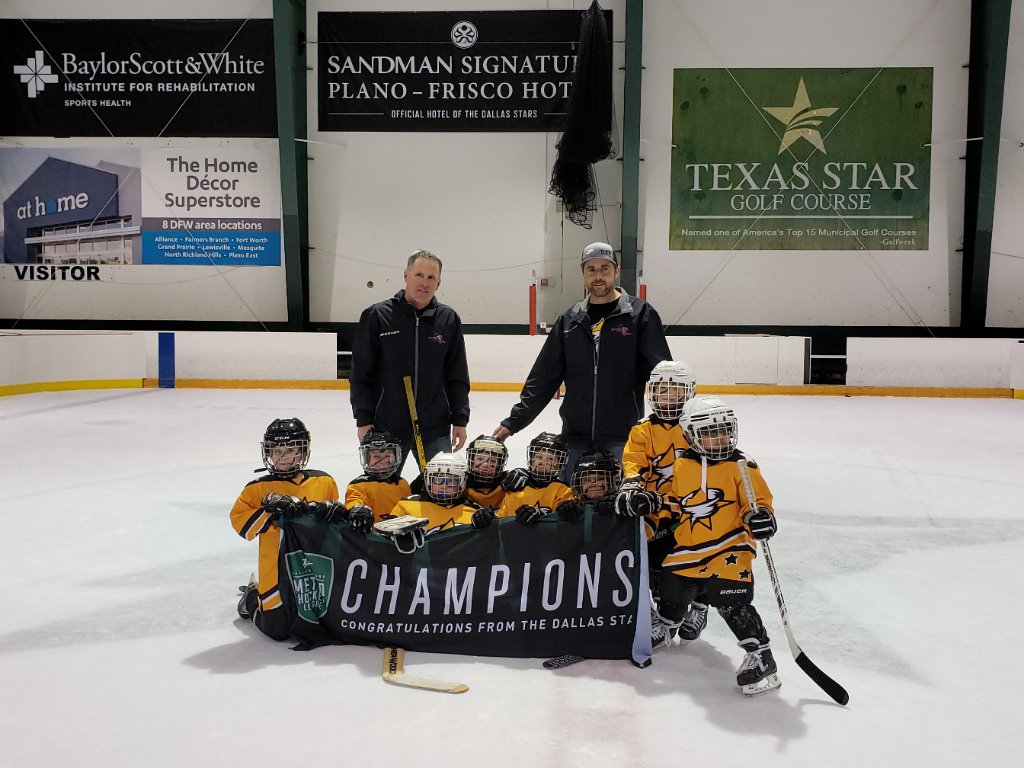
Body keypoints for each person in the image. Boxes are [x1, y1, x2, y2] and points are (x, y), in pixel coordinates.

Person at [622, 396, 780, 695]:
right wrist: (649, 513)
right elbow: (672, 504)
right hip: (688, 550)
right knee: (671, 591)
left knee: (731, 602)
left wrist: (761, 519)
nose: (719, 438)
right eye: (709, 433)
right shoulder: (682, 464)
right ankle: (668, 623)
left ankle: (760, 655)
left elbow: (758, 505)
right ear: (691, 434)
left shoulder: (743, 466)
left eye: (724, 430)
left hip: (729, 548)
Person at [492, 241, 671, 480]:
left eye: (604, 269)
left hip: (622, 438)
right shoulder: (570, 321)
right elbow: (543, 378)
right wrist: (513, 423)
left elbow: (663, 375)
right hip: (574, 439)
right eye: (592, 269)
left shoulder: (639, 315)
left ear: (616, 271)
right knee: (570, 507)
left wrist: (673, 425)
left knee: (617, 508)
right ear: (583, 274)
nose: (598, 276)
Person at [350, 250, 470, 475]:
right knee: (382, 491)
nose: (424, 283)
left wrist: (460, 420)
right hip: (386, 428)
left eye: (431, 277)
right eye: (419, 275)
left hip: (435, 427)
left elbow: (457, 374)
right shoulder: (378, 316)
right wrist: (363, 419)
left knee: (442, 492)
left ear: (438, 283)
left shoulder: (448, 319)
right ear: (406, 276)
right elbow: (360, 374)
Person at [230, 418, 344, 641]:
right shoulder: (257, 488)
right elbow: (242, 526)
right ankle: (253, 594)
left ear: (302, 452)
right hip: (275, 571)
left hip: (313, 569)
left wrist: (335, 509)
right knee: (277, 630)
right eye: (275, 450)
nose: (281, 457)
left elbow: (336, 525)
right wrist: (270, 511)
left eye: (290, 450)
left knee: (326, 621)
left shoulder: (323, 481)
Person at [616, 360, 697, 604]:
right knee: (643, 552)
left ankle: (699, 603)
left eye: (676, 390)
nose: (669, 396)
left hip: (690, 507)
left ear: (689, 392)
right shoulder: (643, 429)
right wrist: (632, 484)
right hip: (655, 507)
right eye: (662, 390)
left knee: (697, 553)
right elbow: (634, 462)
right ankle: (656, 606)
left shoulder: (696, 426)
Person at [388, 453, 492, 537]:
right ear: (428, 480)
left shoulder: (474, 513)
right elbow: (385, 536)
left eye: (452, 481)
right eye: (438, 480)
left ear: (462, 483)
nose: (444, 486)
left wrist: (486, 524)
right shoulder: (406, 505)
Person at [498, 432, 575, 525]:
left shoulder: (563, 491)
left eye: (551, 459)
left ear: (560, 463)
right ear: (532, 459)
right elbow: (500, 521)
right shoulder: (516, 487)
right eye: (539, 457)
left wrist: (538, 516)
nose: (543, 462)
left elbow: (559, 523)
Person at [345, 428, 412, 524]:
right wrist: (356, 510)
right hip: (373, 537)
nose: (382, 461)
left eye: (387, 456)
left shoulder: (402, 484)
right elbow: (353, 502)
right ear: (367, 459)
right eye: (376, 457)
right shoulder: (358, 486)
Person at [464, 435, 511, 509]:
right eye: (480, 459)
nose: (485, 465)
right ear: (471, 460)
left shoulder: (509, 481)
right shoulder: (462, 482)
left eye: (492, 461)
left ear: (499, 464)